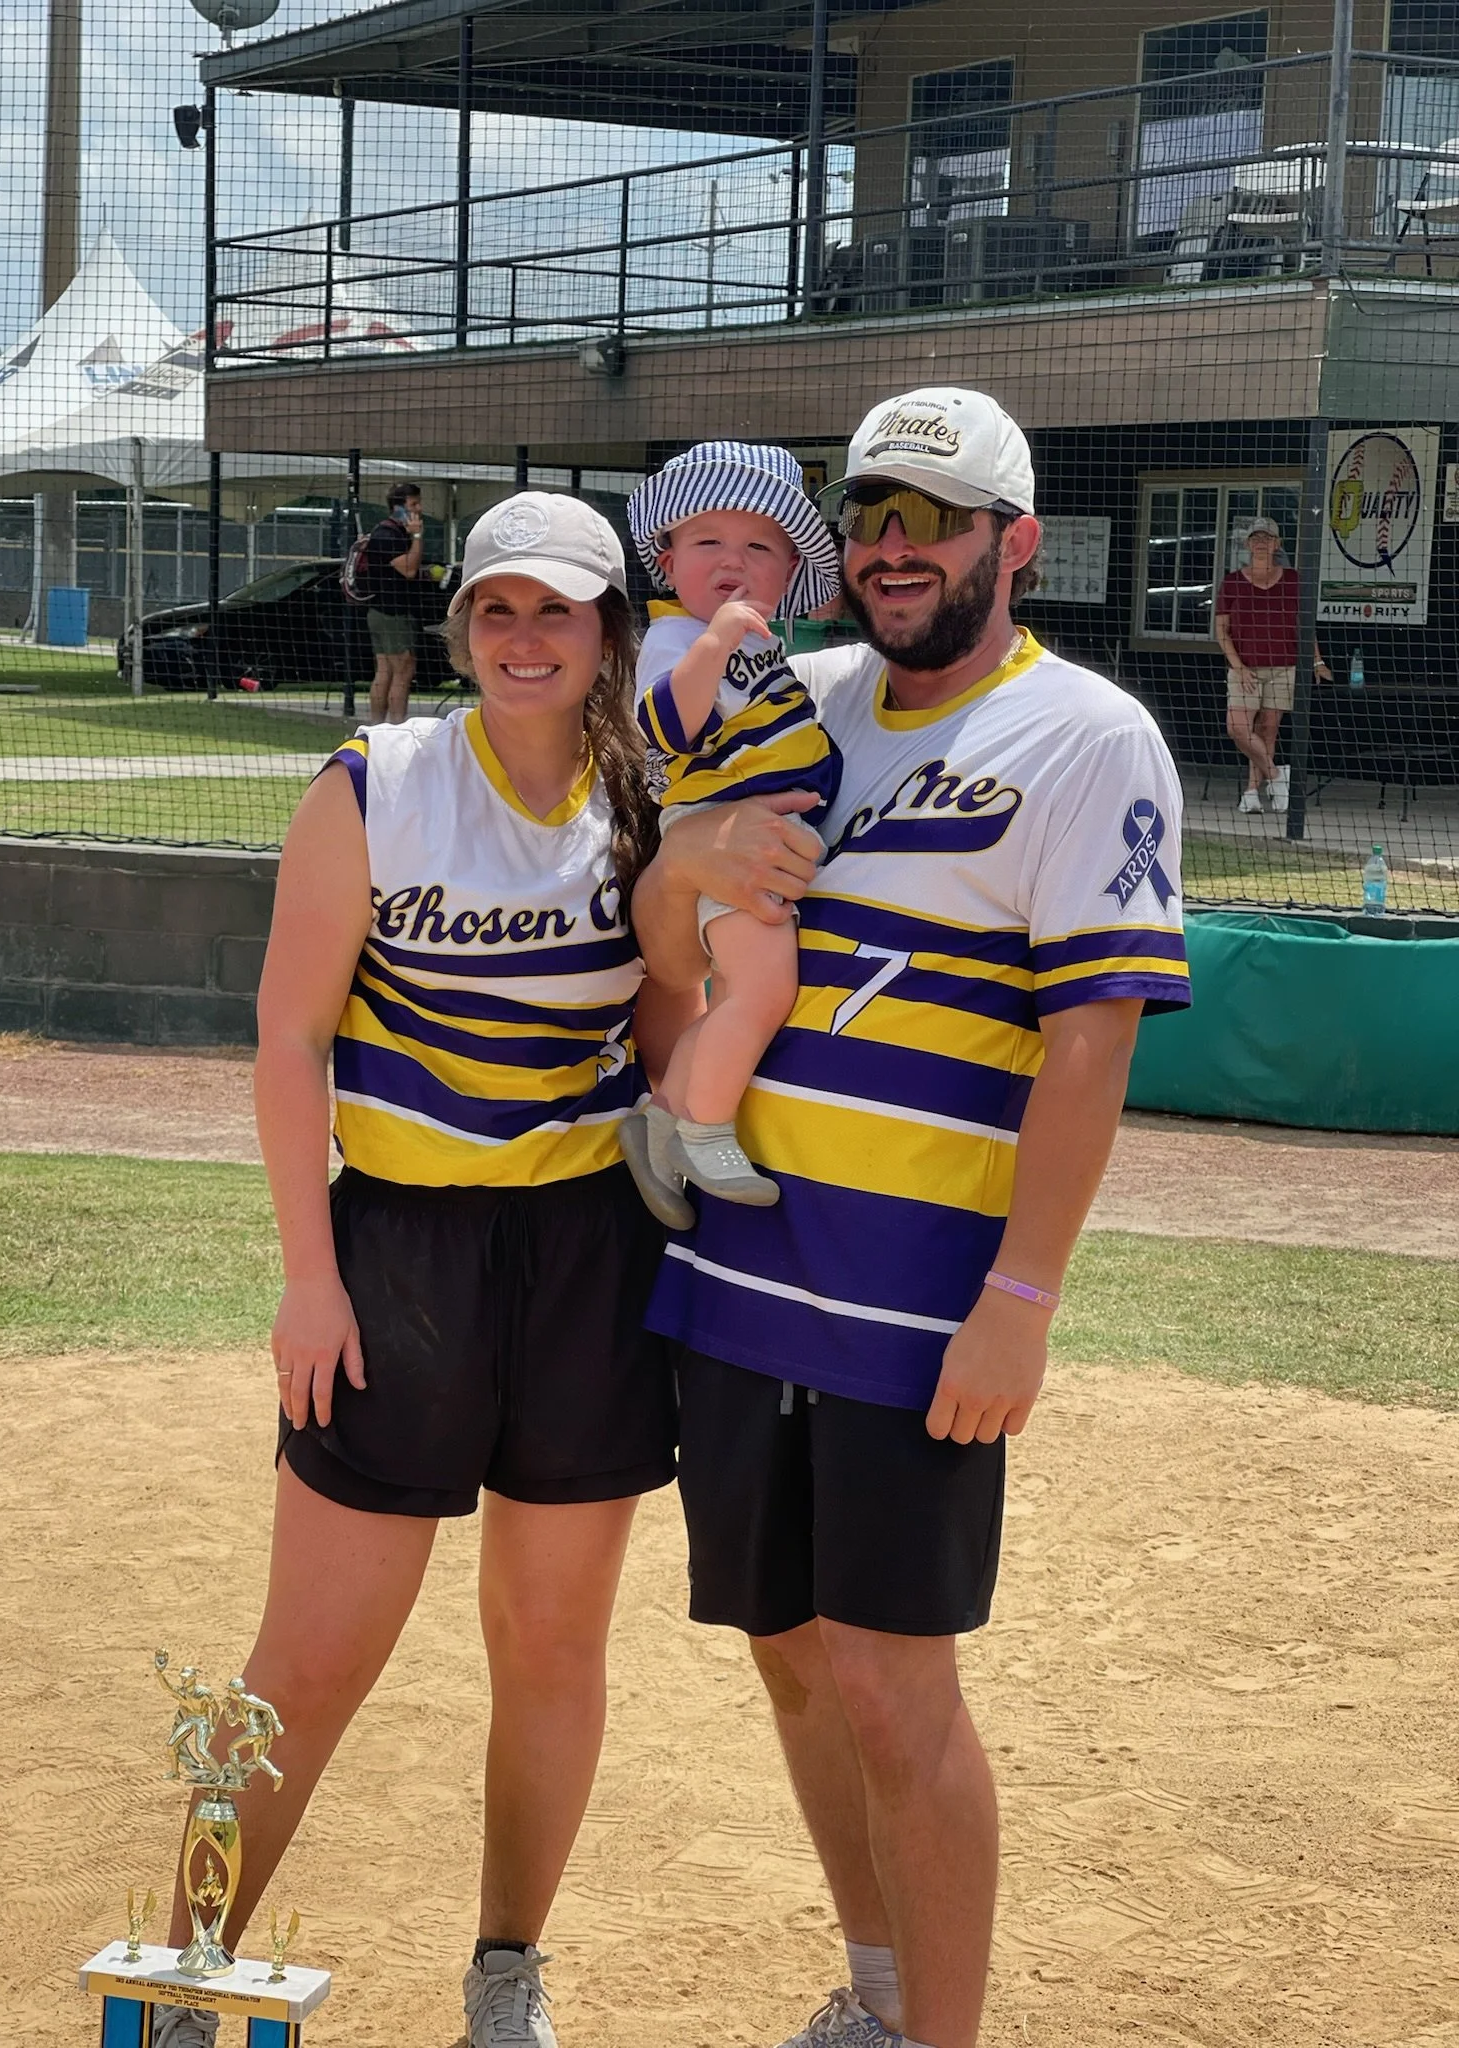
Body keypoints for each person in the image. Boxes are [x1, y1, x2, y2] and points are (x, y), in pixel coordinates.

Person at [632, 387, 1193, 2048]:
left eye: (931, 522)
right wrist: (695, 866)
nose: (893, 550)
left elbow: (1090, 1042)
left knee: (893, 1676)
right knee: (792, 1647)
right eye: (870, 518)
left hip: (916, 1305)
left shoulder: (1088, 735)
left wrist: (1023, 1291)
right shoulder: (786, 700)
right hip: (738, 1267)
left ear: (1009, 544)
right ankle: (876, 1994)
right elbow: (670, 932)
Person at [153, 492, 699, 2048]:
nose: (526, 640)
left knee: (549, 1644)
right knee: (309, 1658)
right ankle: (185, 1973)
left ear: (607, 633)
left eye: (561, 612)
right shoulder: (373, 785)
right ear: (462, 626)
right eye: (498, 611)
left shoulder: (642, 801)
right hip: (399, 1251)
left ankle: (506, 1971)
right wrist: (308, 1275)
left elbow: (660, 1037)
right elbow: (288, 1035)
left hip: (588, 1259)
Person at [621, 441, 840, 1211]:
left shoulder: (768, 647)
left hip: (764, 840)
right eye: (707, 541)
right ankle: (708, 1133)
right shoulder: (678, 639)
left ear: (787, 576)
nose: (732, 561)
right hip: (723, 842)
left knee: (752, 985)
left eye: (759, 547)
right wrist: (713, 644)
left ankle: (661, 1121)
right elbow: (666, 728)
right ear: (668, 559)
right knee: (762, 989)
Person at [1214, 514, 1331, 814]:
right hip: (1245, 667)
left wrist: (1317, 661)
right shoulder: (1232, 582)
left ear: (1278, 543)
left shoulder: (1293, 580)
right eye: (1256, 538)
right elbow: (1221, 631)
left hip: (1283, 666)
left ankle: (1252, 793)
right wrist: (1237, 666)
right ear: (1247, 544)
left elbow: (1304, 626)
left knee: (1268, 729)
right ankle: (1278, 777)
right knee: (1237, 727)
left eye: (1267, 538)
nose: (1262, 543)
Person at [363, 481, 427, 725]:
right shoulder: (387, 534)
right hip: (392, 614)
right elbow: (409, 569)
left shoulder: (392, 533)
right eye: (413, 504)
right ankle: (396, 728)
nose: (419, 509)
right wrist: (418, 535)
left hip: (382, 612)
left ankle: (377, 727)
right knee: (403, 671)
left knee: (386, 672)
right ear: (398, 507)